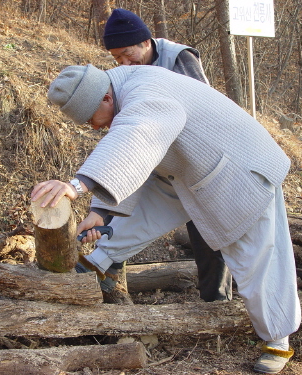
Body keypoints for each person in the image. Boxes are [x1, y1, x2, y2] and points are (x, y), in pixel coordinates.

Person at [31, 63, 302, 374]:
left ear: (106, 98)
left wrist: (77, 185)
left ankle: (278, 339)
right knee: (136, 211)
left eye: (92, 119)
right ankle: (97, 263)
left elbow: (135, 138)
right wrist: (99, 212)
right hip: (189, 170)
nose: (93, 128)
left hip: (240, 172)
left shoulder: (146, 93)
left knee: (257, 257)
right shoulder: (121, 89)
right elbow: (137, 158)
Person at [92, 7, 232, 304]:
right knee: (123, 204)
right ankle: (108, 270)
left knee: (207, 233)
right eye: (117, 58)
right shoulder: (123, 75)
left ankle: (216, 303)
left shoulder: (180, 59)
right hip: (155, 157)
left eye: (128, 54)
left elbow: (201, 110)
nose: (125, 63)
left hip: (198, 162)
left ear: (146, 42)